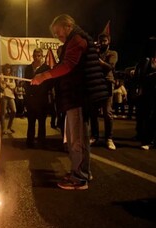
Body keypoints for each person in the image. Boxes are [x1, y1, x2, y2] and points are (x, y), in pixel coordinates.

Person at [31, 14, 109, 190]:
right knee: (79, 137)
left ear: (68, 26)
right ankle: (82, 172)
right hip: (77, 96)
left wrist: (43, 76)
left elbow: (68, 65)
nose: (58, 37)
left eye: (59, 33)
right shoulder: (75, 39)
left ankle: (79, 178)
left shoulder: (77, 40)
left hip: (79, 97)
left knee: (77, 138)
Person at [89, 33, 118, 150]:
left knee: (107, 113)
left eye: (105, 41)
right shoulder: (95, 52)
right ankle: (95, 136)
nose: (102, 43)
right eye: (101, 41)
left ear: (109, 41)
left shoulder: (113, 53)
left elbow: (109, 67)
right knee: (93, 112)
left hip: (106, 83)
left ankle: (109, 138)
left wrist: (98, 60)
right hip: (95, 83)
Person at [24, 48, 52, 147]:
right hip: (31, 99)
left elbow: (49, 83)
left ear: (42, 56)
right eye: (35, 56)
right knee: (31, 121)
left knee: (41, 121)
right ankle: (30, 141)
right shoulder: (28, 68)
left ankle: (41, 141)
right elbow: (26, 83)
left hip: (41, 99)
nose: (36, 58)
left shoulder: (46, 68)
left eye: (38, 56)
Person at [133, 37, 156, 150]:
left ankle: (150, 140)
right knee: (145, 115)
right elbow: (140, 76)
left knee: (151, 116)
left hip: (151, 90)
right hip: (148, 91)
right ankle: (144, 137)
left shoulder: (148, 60)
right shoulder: (146, 60)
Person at [0, 64, 16, 135]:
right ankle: (4, 128)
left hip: (11, 96)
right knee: (3, 112)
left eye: (9, 68)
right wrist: (8, 84)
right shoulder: (1, 76)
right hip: (4, 95)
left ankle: (9, 127)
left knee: (14, 111)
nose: (8, 70)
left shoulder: (11, 77)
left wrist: (6, 83)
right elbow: (2, 86)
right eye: (6, 68)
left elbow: (14, 86)